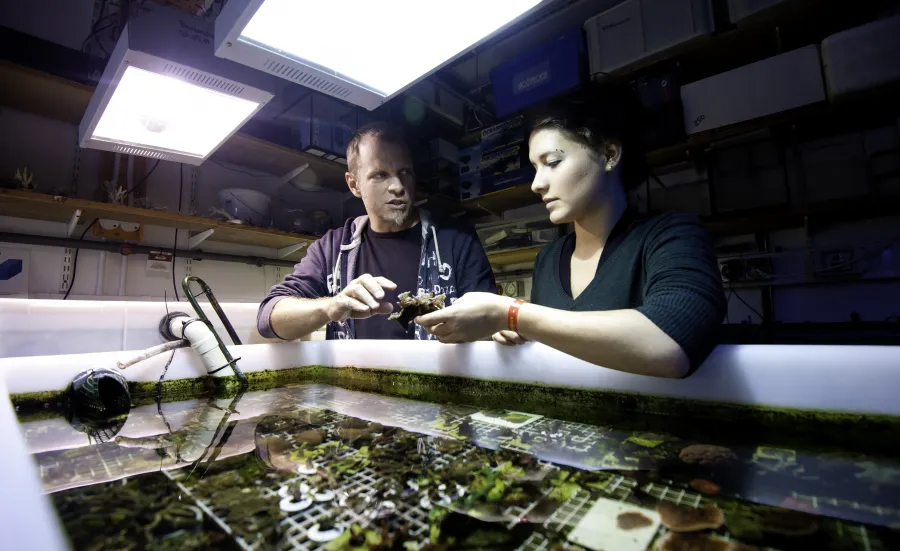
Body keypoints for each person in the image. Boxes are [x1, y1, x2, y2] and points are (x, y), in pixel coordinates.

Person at [416, 83, 726, 378]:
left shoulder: (672, 236)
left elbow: (670, 346)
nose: (537, 184)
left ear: (609, 155)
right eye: (535, 168)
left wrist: (512, 314)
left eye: (552, 162)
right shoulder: (549, 259)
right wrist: (518, 332)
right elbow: (553, 343)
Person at [257, 122, 496, 341]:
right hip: (354, 386)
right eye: (380, 175)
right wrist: (331, 306)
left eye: (405, 172)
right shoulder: (332, 249)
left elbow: (492, 322)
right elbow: (269, 318)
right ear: (354, 184)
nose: (398, 187)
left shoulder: (456, 241)